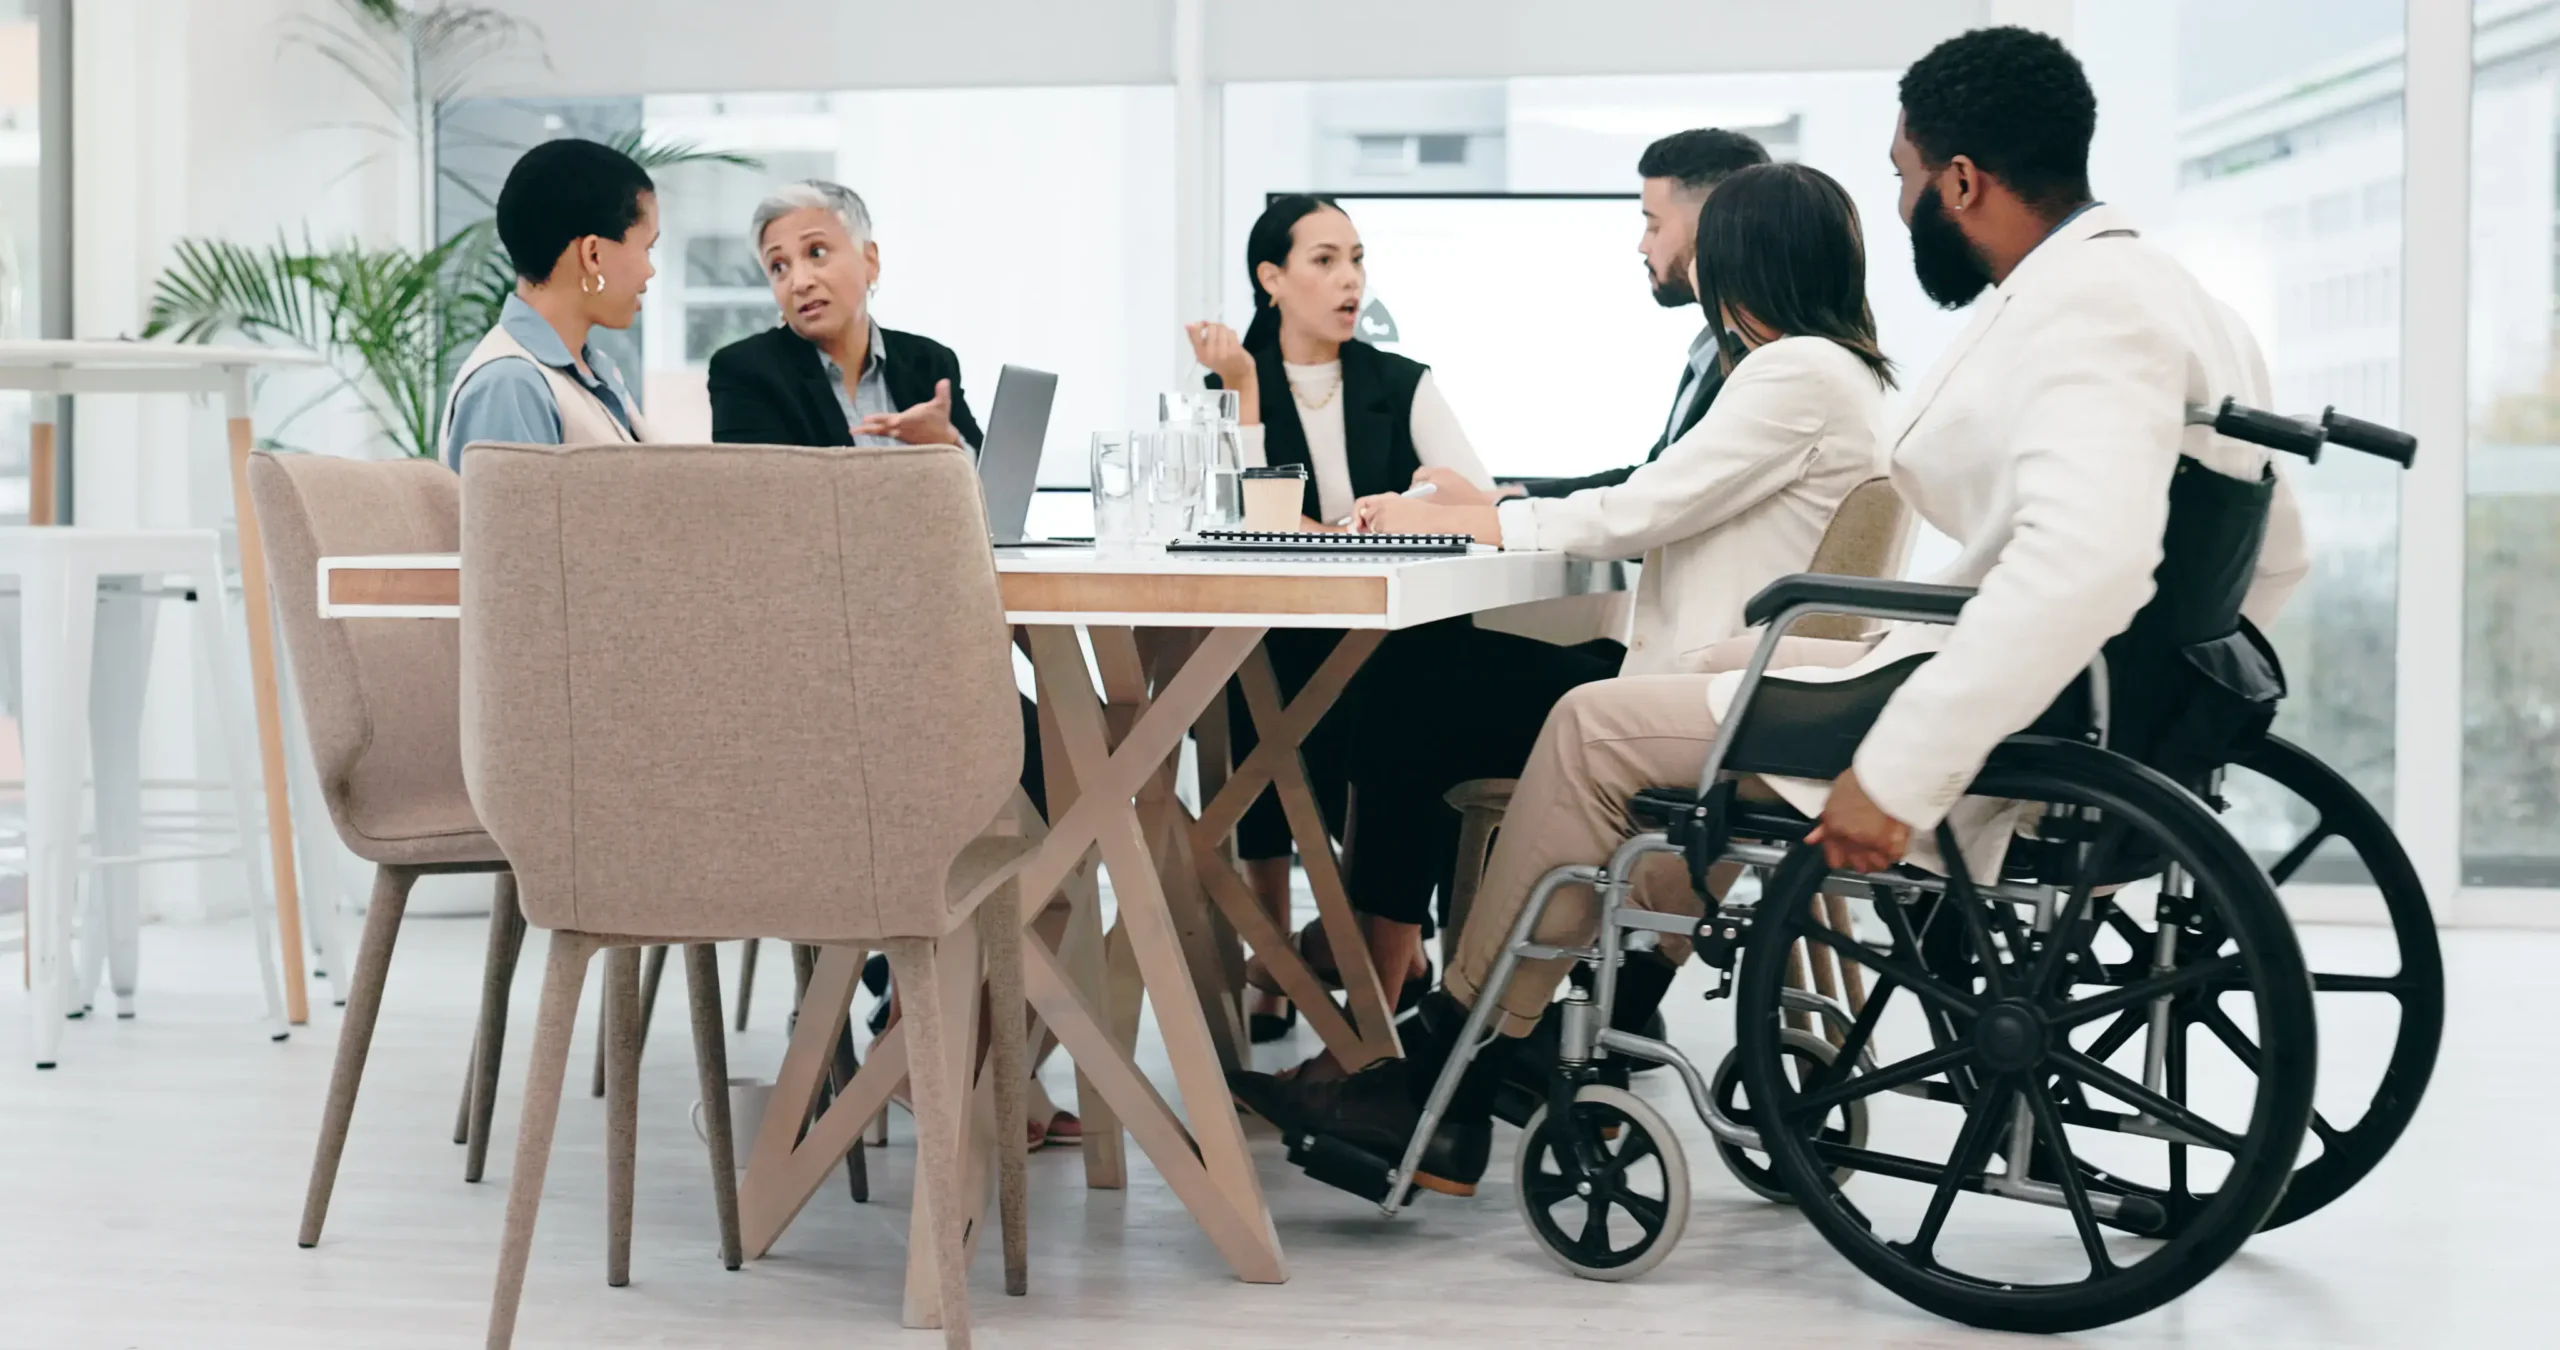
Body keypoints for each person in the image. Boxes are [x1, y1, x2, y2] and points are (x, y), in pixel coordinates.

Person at [1237, 25, 2310, 1200]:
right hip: (2073, 693)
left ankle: (1445, 1067)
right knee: (1541, 704)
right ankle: (1495, 1028)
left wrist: (1904, 770)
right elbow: (2274, 551)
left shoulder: (2076, 311)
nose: (1897, 211)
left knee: (1585, 724)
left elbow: (2080, 564)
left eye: (1902, 179)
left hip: (1987, 696)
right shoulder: (2177, 298)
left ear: (1959, 181)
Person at [1313, 161, 1891, 1080]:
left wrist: (1468, 517)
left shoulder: (1793, 375)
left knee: (1432, 691)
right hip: (1750, 674)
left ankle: (1445, 1024)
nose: (1670, 252)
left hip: (1723, 685)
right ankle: (1470, 1005)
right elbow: (1657, 499)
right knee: (1442, 686)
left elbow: (1640, 509)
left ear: (1740, 258)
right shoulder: (1845, 374)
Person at [1181, 195, 1497, 1039]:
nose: (1350, 279)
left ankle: (1368, 952)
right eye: (1324, 260)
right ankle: (1279, 956)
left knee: (1403, 691)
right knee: (1246, 677)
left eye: (1356, 258)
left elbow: (1474, 496)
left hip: (1390, 638)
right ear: (1271, 278)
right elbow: (1230, 520)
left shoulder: (1404, 383)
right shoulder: (1229, 381)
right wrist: (1242, 388)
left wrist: (1411, 502)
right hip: (1276, 629)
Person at [1408, 126, 1770, 506]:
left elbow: (1661, 505)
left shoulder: (1763, 362)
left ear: (1714, 228)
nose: (1642, 244)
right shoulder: (1714, 351)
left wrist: (1496, 509)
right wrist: (1515, 495)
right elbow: (1652, 480)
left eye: (1654, 224)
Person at [707, 179, 982, 451]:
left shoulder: (929, 363)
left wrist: (949, 446)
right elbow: (761, 492)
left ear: (870, 261)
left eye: (817, 252)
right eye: (779, 267)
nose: (799, 282)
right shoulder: (745, 372)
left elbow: (990, 487)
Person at [441, 138, 659, 467]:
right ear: (593, 255)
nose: (650, 271)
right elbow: (513, 519)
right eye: (647, 249)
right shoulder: (511, 386)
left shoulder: (593, 370)